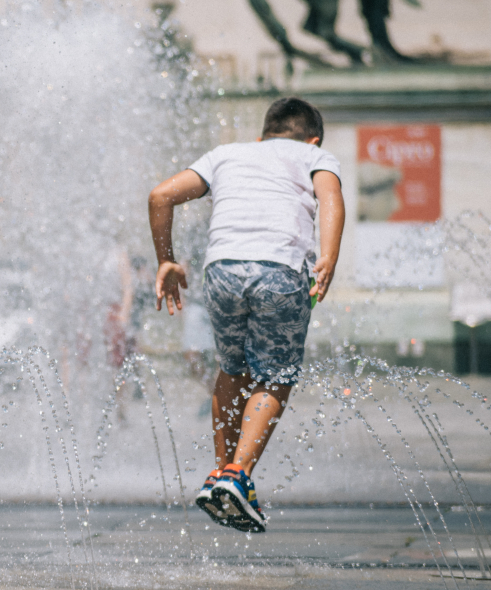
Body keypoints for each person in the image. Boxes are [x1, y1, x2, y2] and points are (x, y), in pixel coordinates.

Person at [147, 97, 345, 533]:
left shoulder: (227, 153)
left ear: (262, 136)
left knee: (232, 368)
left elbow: (160, 195)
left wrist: (166, 259)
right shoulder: (315, 155)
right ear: (312, 138)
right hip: (279, 268)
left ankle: (222, 474)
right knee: (276, 374)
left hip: (221, 270)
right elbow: (330, 195)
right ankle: (239, 476)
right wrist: (328, 257)